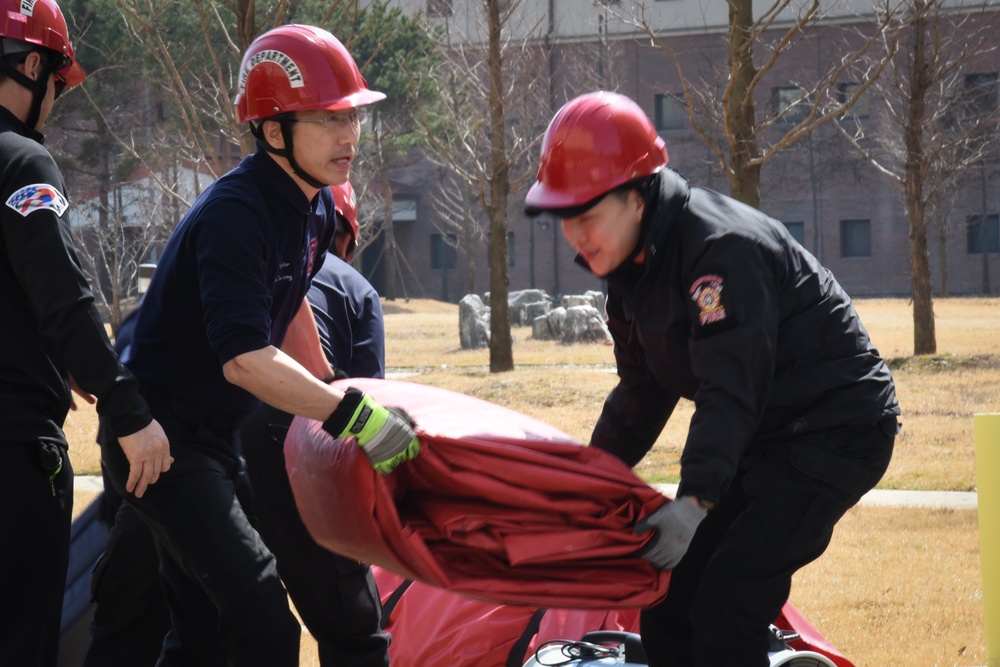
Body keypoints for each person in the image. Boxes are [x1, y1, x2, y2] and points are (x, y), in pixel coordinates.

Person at [523, 91, 899, 667]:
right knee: (670, 600)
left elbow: (731, 387)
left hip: (836, 430)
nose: (575, 235)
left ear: (637, 195)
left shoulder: (720, 251)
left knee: (730, 602)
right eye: (563, 218)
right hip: (768, 435)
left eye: (586, 214)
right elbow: (641, 391)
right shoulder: (629, 270)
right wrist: (587, 485)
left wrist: (695, 501)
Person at [96, 25, 419, 666]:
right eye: (328, 120)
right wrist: (354, 416)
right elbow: (244, 358)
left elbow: (289, 300)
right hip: (160, 443)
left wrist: (333, 392)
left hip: (214, 439)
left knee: (204, 635)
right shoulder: (235, 214)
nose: (349, 137)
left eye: (352, 117)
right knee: (263, 618)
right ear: (274, 131)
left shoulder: (316, 207)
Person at [0, 0, 172, 664]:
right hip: (13, 454)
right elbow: (63, 298)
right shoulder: (21, 165)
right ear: (34, 65)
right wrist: (127, 410)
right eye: (58, 88)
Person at [240, 180, 390, 666]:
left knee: (222, 620)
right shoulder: (357, 289)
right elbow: (362, 404)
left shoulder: (245, 250)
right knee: (355, 631)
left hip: (199, 444)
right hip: (289, 445)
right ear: (346, 235)